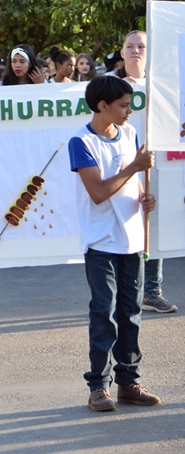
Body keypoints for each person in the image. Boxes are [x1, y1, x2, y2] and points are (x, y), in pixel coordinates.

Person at [69, 75, 161, 412]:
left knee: (131, 313)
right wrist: (134, 166)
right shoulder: (80, 142)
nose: (128, 110)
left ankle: (128, 382)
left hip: (132, 239)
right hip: (100, 242)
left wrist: (143, 198)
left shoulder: (131, 134)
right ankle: (98, 385)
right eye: (123, 105)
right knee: (103, 312)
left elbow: (133, 185)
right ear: (102, 106)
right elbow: (97, 193)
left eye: (130, 104)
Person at [112, 30, 177, 314]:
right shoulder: (109, 86)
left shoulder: (162, 86)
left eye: (141, 46)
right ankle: (124, 292)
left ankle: (152, 290)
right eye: (130, 46)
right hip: (119, 163)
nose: (136, 50)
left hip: (156, 163)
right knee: (123, 225)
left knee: (153, 224)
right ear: (123, 52)